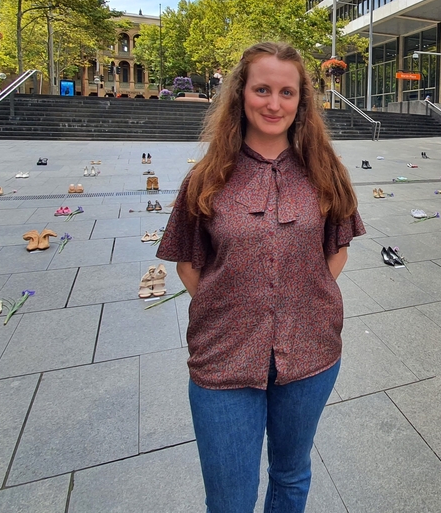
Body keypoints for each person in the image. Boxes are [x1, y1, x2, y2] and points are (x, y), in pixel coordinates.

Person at [156, 42, 365, 513]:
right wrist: (235, 301)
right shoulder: (206, 178)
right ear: (241, 95)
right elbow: (189, 263)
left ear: (301, 102)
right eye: (263, 89)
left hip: (310, 352)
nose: (274, 103)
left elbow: (336, 251)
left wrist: (298, 298)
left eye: (287, 92)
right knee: (229, 499)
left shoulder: (326, 172)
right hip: (225, 357)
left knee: (291, 476)